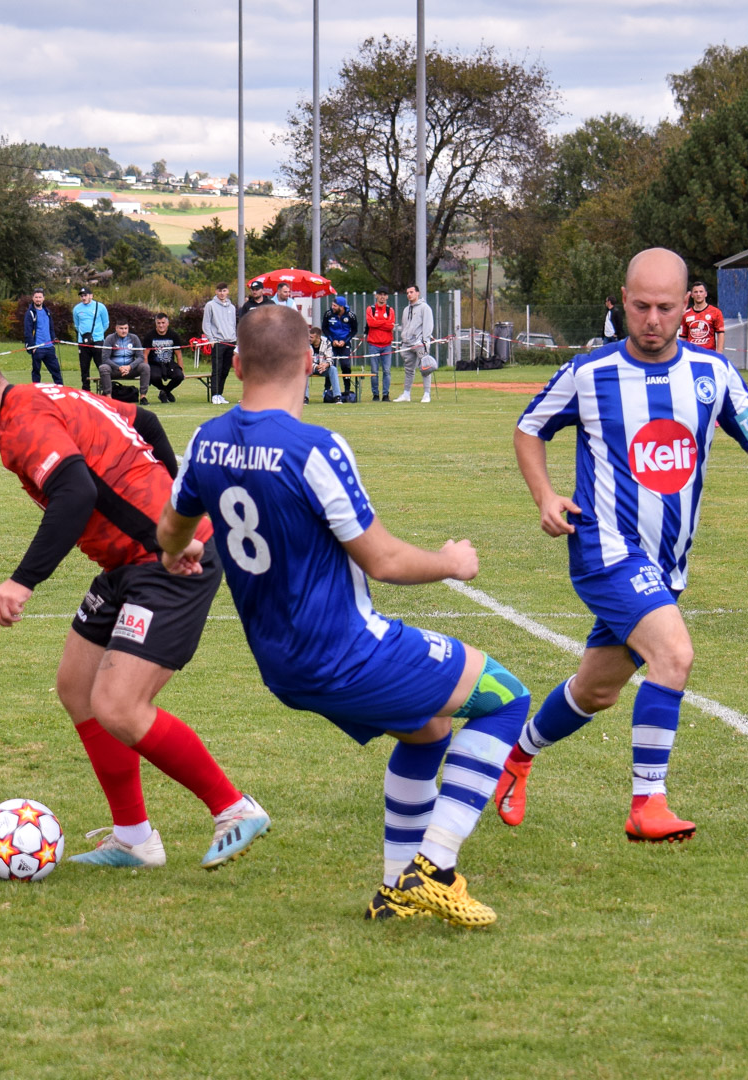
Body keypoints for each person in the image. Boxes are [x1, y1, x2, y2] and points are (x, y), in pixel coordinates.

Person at [156, 304, 530, 927]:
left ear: (237, 365)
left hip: (281, 667)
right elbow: (382, 560)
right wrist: (450, 562)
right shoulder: (314, 448)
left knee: (428, 730)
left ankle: (395, 892)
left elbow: (171, 530)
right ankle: (434, 866)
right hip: (347, 651)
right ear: (311, 361)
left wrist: (180, 551)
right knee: (506, 698)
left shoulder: (205, 440)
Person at [0, 338, 271, 870]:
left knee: (120, 706)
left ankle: (234, 808)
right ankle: (134, 839)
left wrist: (21, 582)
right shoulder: (44, 397)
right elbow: (145, 421)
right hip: (128, 564)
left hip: (170, 564)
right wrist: (175, 504)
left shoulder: (22, 421)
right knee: (77, 688)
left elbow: (75, 493)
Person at [499, 248, 748, 844]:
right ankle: (647, 804)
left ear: (687, 305)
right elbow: (530, 428)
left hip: (667, 564)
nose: (652, 319)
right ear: (623, 301)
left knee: (596, 690)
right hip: (606, 551)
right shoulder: (590, 373)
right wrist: (545, 496)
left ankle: (517, 758)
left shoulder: (713, 373)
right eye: (640, 306)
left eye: (664, 307)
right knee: (674, 655)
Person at [393, 285, 434, 403]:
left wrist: (425, 341)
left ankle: (427, 394)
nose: (409, 295)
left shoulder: (425, 308)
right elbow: (405, 326)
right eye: (407, 293)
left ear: (417, 293)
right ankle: (406, 394)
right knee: (408, 369)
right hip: (407, 344)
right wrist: (403, 340)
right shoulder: (406, 310)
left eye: (411, 292)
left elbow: (428, 325)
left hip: (420, 343)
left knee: (425, 368)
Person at [202, 282, 238, 406]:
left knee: (225, 370)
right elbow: (206, 323)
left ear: (227, 291)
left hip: (230, 341)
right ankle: (215, 394)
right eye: (219, 291)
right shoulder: (210, 305)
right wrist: (210, 339)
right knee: (217, 369)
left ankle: (220, 394)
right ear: (216, 291)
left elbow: (233, 324)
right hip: (218, 341)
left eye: (224, 291)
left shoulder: (232, 307)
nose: (222, 293)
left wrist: (235, 339)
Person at [72, 285, 110, 391]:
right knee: (84, 367)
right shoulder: (76, 309)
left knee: (101, 365)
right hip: (83, 342)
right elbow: (77, 325)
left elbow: (106, 323)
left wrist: (98, 334)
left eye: (85, 295)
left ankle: (105, 387)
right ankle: (86, 389)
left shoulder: (100, 307)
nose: (83, 298)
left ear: (91, 296)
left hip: (97, 341)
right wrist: (84, 336)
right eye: (82, 296)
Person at [97, 318, 146, 400]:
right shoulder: (110, 339)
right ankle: (108, 397)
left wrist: (130, 367)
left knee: (145, 367)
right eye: (121, 328)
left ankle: (143, 397)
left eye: (126, 328)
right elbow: (105, 358)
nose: (124, 331)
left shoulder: (134, 338)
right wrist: (119, 368)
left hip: (130, 370)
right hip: (115, 370)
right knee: (103, 368)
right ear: (116, 328)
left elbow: (141, 357)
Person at [22, 288, 62, 384]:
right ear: (33, 298)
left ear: (43, 298)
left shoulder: (47, 311)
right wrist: (32, 346)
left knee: (56, 371)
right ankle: (36, 391)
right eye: (36, 297)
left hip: (49, 347)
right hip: (37, 348)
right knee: (36, 373)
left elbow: (51, 327)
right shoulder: (30, 313)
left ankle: (60, 390)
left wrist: (53, 339)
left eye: (40, 297)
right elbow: (28, 331)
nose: (38, 299)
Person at [363, 288, 397, 401]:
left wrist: (378, 323)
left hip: (386, 345)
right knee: (374, 371)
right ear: (376, 296)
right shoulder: (370, 309)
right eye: (380, 294)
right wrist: (384, 322)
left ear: (387, 297)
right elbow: (370, 323)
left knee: (387, 371)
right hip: (374, 344)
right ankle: (375, 394)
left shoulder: (390, 310)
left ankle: (386, 394)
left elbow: (390, 325)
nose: (382, 296)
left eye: (384, 294)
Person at [144, 312, 184, 404]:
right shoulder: (149, 336)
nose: (161, 325)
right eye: (158, 323)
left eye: (163, 323)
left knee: (179, 376)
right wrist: (146, 370)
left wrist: (182, 370)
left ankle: (165, 392)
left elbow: (178, 355)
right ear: (156, 324)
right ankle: (166, 392)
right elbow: (145, 355)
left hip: (169, 364)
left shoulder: (174, 335)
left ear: (167, 323)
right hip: (154, 364)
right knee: (154, 377)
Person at [679, 281, 724, 352]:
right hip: (692, 354)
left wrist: (719, 353)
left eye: (701, 291)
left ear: (705, 294)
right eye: (695, 292)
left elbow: (720, 333)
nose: (698, 294)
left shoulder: (716, 312)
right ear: (692, 295)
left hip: (709, 353)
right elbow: (682, 337)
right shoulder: (686, 314)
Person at [304, 325, 342, 404]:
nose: (309, 339)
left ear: (318, 337)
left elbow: (330, 359)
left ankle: (337, 397)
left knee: (333, 369)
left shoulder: (327, 342)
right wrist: (316, 366)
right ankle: (305, 398)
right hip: (311, 368)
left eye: (311, 337)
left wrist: (326, 365)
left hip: (324, 368)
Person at [325, 297, 358, 382]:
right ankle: (327, 388)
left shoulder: (351, 315)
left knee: (345, 365)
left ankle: (347, 388)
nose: (332, 307)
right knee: (330, 365)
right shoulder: (328, 314)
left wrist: (345, 341)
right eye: (332, 305)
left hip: (345, 343)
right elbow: (325, 328)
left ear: (341, 307)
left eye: (335, 306)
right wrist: (332, 340)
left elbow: (354, 330)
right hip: (332, 343)